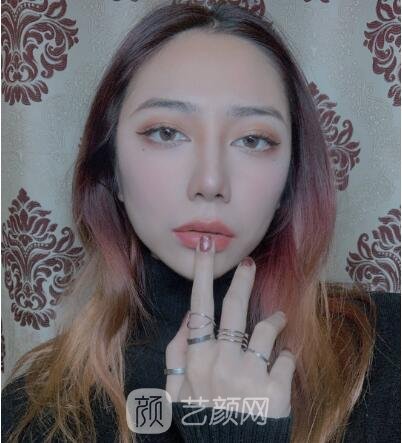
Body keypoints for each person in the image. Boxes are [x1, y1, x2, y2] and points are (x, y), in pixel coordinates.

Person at [2, 3, 400, 443]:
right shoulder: (32, 414)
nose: (210, 182)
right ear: (110, 169)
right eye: (166, 132)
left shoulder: (389, 350)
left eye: (253, 139)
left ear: (291, 180)